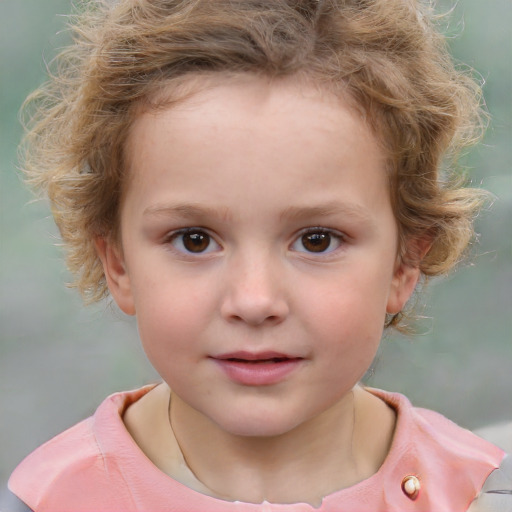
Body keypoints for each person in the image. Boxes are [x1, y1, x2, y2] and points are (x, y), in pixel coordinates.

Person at [7, 0, 512, 510]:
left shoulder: (479, 493)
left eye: (317, 240)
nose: (254, 300)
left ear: (405, 262)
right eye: (195, 240)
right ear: (118, 263)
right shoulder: (47, 501)